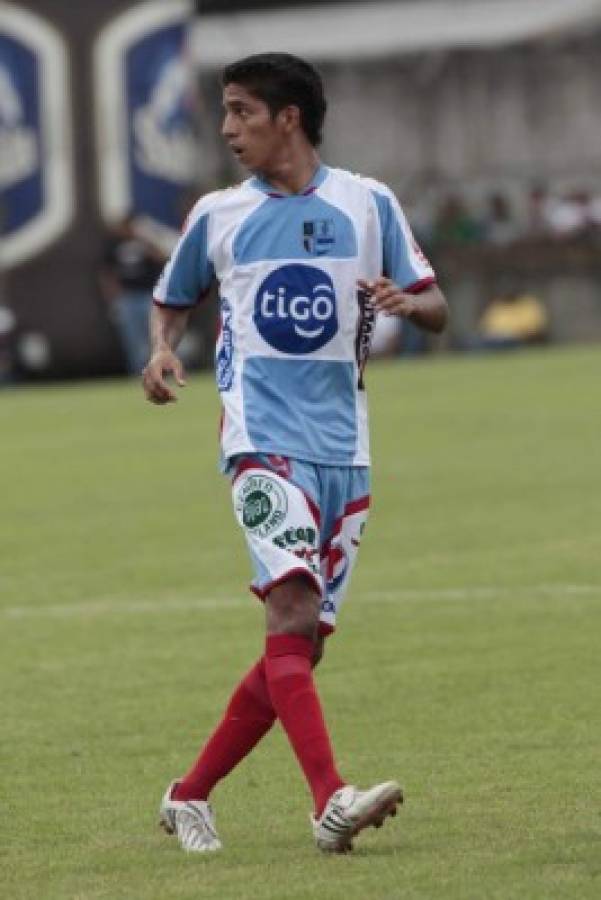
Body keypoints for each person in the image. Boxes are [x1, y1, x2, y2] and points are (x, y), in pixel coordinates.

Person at [142, 53, 448, 855]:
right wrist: (160, 351)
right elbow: (171, 299)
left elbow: (437, 305)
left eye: (241, 111)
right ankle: (329, 802)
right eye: (224, 111)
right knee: (289, 608)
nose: (226, 129)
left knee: (299, 643)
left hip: (343, 450)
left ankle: (188, 795)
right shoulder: (217, 214)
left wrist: (406, 304)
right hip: (259, 439)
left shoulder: (367, 201)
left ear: (288, 118)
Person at [100, 214, 167, 375]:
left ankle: (160, 370)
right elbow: (107, 273)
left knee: (155, 336)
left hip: (147, 295)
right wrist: (112, 297)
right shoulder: (114, 246)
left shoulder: (144, 243)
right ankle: (138, 373)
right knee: (133, 340)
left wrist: (145, 240)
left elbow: (162, 257)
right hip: (127, 298)